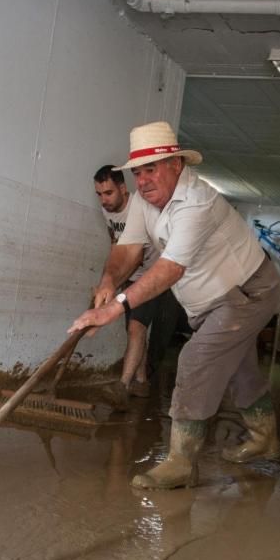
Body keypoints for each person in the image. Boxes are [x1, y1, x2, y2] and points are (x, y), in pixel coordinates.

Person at [69, 121, 280, 490]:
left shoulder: (197, 203)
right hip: (210, 300)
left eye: (151, 169)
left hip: (247, 292)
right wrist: (109, 280)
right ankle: (265, 436)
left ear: (176, 165)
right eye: (137, 173)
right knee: (236, 364)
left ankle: (181, 462)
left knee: (196, 360)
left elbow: (170, 268)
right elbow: (127, 249)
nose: (144, 180)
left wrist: (114, 307)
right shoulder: (143, 202)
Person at [93, 165, 160, 403]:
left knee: (136, 328)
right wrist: (105, 282)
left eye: (109, 193)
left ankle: (122, 385)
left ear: (123, 188)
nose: (104, 200)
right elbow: (116, 247)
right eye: (99, 194)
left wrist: (113, 287)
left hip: (152, 276)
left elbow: (136, 257)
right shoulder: (108, 212)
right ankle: (141, 382)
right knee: (133, 330)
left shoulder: (138, 208)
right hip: (130, 275)